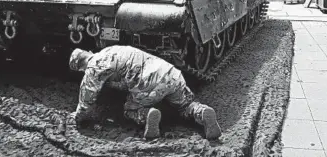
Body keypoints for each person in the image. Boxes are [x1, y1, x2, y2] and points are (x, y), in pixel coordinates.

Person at [69, 46, 222, 140]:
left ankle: (147, 115)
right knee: (186, 105)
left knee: (130, 109)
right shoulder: (110, 50)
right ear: (88, 52)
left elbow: (87, 98)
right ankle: (202, 113)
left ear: (80, 68)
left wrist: (77, 116)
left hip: (148, 84)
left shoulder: (94, 67)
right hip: (171, 73)